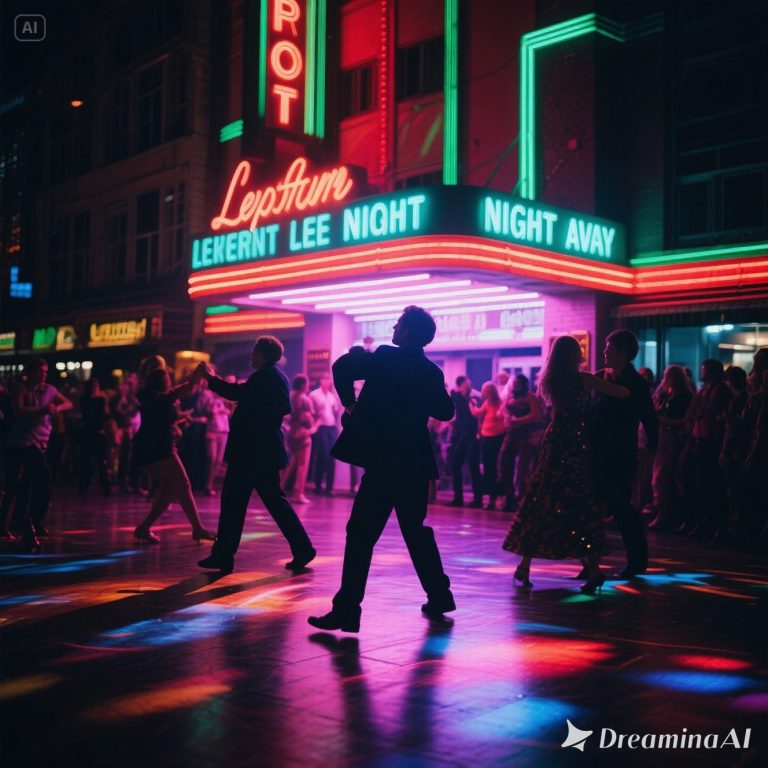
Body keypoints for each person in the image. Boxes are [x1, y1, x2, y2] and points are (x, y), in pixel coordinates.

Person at [308, 306, 456, 632]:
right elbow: (445, 410)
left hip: (383, 461)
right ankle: (440, 595)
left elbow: (342, 367)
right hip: (414, 464)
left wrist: (351, 404)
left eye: (399, 323)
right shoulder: (430, 371)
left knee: (360, 534)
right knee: (416, 531)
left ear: (407, 332)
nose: (394, 326)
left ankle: (347, 609)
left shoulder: (386, 357)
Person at [503, 336, 628, 594]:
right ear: (575, 355)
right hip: (576, 443)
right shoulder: (584, 380)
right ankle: (593, 568)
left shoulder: (550, 380)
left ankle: (525, 565)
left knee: (543, 498)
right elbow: (622, 393)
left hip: (554, 440)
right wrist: (613, 379)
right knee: (579, 501)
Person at [196, 337, 315, 574]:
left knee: (234, 503)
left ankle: (224, 555)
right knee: (272, 503)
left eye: (254, 351)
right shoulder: (273, 376)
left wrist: (209, 378)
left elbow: (236, 393)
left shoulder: (265, 377)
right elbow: (253, 399)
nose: (251, 356)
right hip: (261, 452)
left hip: (251, 453)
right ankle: (302, 548)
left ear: (263, 353)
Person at [589, 330, 659, 578]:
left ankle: (637, 561)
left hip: (620, 452)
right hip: (598, 451)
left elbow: (649, 417)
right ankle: (590, 563)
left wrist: (651, 447)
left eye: (609, 348)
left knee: (620, 506)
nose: (605, 352)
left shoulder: (635, 383)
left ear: (623, 353)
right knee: (595, 506)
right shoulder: (604, 377)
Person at [132, 368, 215, 544]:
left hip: (158, 447)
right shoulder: (159, 398)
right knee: (183, 484)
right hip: (157, 449)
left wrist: (181, 417)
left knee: (171, 489)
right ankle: (198, 529)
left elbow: (163, 417)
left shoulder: (155, 398)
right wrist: (194, 378)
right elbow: (179, 392)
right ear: (160, 382)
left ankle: (144, 528)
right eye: (167, 378)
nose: (169, 381)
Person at [0, 358, 72, 550]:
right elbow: (18, 411)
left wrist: (56, 408)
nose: (44, 374)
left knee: (25, 484)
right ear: (31, 372)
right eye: (40, 371)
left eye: (46, 371)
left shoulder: (49, 390)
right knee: (30, 481)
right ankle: (26, 521)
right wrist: (42, 410)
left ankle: (25, 521)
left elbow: (68, 404)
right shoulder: (20, 388)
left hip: (39, 442)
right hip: (20, 442)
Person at [648, 365, 693, 530]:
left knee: (663, 477)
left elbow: (685, 421)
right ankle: (662, 513)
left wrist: (662, 421)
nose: (664, 379)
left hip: (673, 438)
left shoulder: (684, 397)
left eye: (667, 376)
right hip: (664, 436)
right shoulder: (668, 395)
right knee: (659, 477)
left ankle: (665, 515)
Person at [498, 374, 542, 511]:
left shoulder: (531, 397)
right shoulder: (510, 397)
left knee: (524, 469)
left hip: (526, 436)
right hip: (511, 435)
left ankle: (524, 500)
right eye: (514, 383)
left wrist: (518, 420)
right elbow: (501, 412)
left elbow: (536, 415)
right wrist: (506, 417)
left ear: (524, 384)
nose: (515, 385)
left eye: (518, 383)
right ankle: (509, 498)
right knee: (504, 462)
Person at [469, 382, 506, 510]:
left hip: (496, 438)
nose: (482, 393)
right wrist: (472, 405)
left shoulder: (500, 403)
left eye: (484, 390)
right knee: (488, 468)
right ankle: (491, 498)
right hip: (486, 438)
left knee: (494, 468)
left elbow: (503, 419)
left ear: (490, 391)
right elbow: (478, 412)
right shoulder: (487, 403)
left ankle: (494, 499)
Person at [447, 376, 482, 508]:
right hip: (466, 434)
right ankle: (460, 498)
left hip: (472, 434)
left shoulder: (472, 395)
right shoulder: (464, 396)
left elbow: (473, 414)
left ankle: (473, 500)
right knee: (460, 463)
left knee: (471, 465)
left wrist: (455, 394)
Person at [282, 373, 317, 504]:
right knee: (303, 464)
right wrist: (313, 426)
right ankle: (298, 493)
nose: (308, 385)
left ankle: (280, 488)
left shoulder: (290, 396)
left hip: (291, 433)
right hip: (303, 434)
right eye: (307, 383)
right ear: (303, 385)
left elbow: (286, 415)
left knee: (293, 462)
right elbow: (307, 419)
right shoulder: (304, 399)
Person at [78, 378, 112, 496]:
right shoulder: (99, 400)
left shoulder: (84, 399)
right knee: (100, 461)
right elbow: (103, 416)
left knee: (88, 462)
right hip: (96, 433)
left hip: (88, 433)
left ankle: (84, 487)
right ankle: (105, 489)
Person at [197, 378, 231, 495]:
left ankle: (209, 484)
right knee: (211, 458)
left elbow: (230, 411)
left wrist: (225, 411)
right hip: (212, 430)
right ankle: (206, 483)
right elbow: (204, 410)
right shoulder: (208, 396)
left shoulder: (223, 399)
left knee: (218, 460)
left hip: (223, 430)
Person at [309, 376, 341, 495]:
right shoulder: (314, 395)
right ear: (321, 381)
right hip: (320, 427)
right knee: (322, 455)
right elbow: (309, 411)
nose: (327, 382)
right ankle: (318, 486)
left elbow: (335, 411)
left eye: (328, 380)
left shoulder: (332, 396)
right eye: (325, 379)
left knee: (332, 456)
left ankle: (329, 487)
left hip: (331, 427)